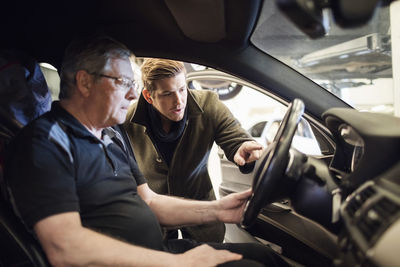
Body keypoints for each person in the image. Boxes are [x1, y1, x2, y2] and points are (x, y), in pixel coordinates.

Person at [5, 36, 288, 267]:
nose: (131, 95)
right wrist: (181, 264)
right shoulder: (45, 143)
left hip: (160, 251)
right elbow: (65, 248)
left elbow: (150, 203)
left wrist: (219, 210)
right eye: (123, 83)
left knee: (264, 258)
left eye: (133, 85)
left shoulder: (112, 135)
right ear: (85, 82)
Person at [123, 58, 263, 243]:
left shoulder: (209, 105)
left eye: (182, 89)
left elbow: (233, 134)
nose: (179, 101)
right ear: (149, 96)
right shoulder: (127, 121)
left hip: (200, 204)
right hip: (154, 212)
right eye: (167, 94)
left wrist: (242, 145)